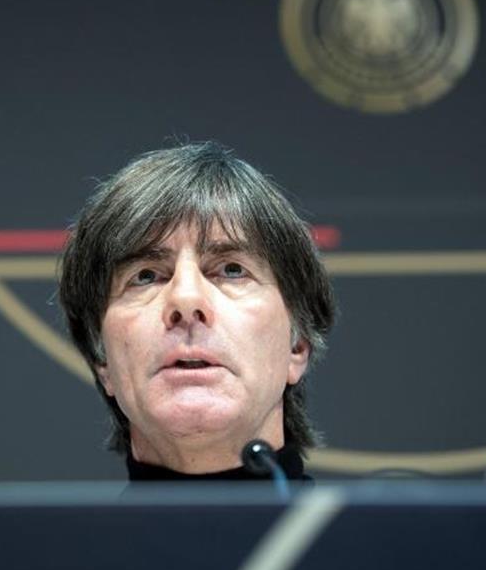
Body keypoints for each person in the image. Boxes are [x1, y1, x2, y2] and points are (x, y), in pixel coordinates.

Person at [57, 142, 336, 481]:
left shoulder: (378, 537)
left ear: (297, 344)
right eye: (145, 277)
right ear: (102, 361)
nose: (186, 300)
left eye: (232, 270)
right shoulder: (57, 537)